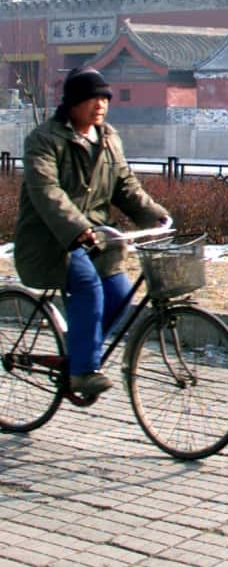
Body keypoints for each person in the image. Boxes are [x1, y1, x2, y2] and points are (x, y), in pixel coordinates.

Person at [13, 66, 170, 398]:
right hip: (51, 240)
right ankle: (83, 371)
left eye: (104, 98)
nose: (100, 104)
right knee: (87, 284)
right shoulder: (43, 140)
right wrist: (78, 228)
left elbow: (125, 187)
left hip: (95, 239)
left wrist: (155, 217)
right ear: (71, 103)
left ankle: (77, 351)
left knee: (121, 293)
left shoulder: (109, 139)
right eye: (91, 97)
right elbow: (47, 192)